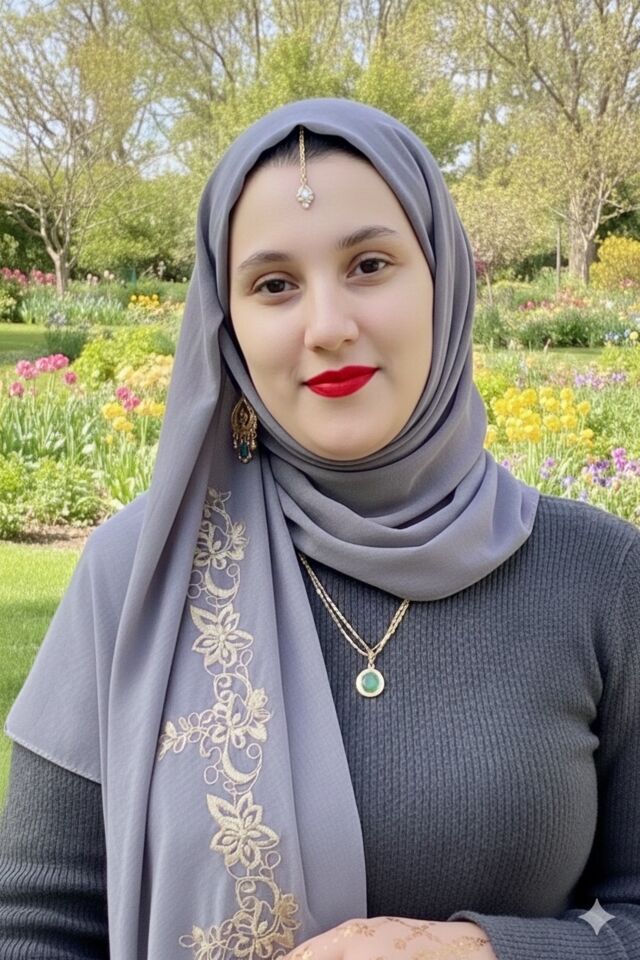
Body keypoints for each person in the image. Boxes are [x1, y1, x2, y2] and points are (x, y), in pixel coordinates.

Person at [0, 98, 639, 960]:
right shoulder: (138, 574)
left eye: (370, 265)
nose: (328, 327)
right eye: (274, 285)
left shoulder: (600, 576)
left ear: (444, 281)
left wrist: (488, 952)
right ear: (228, 322)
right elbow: (37, 925)